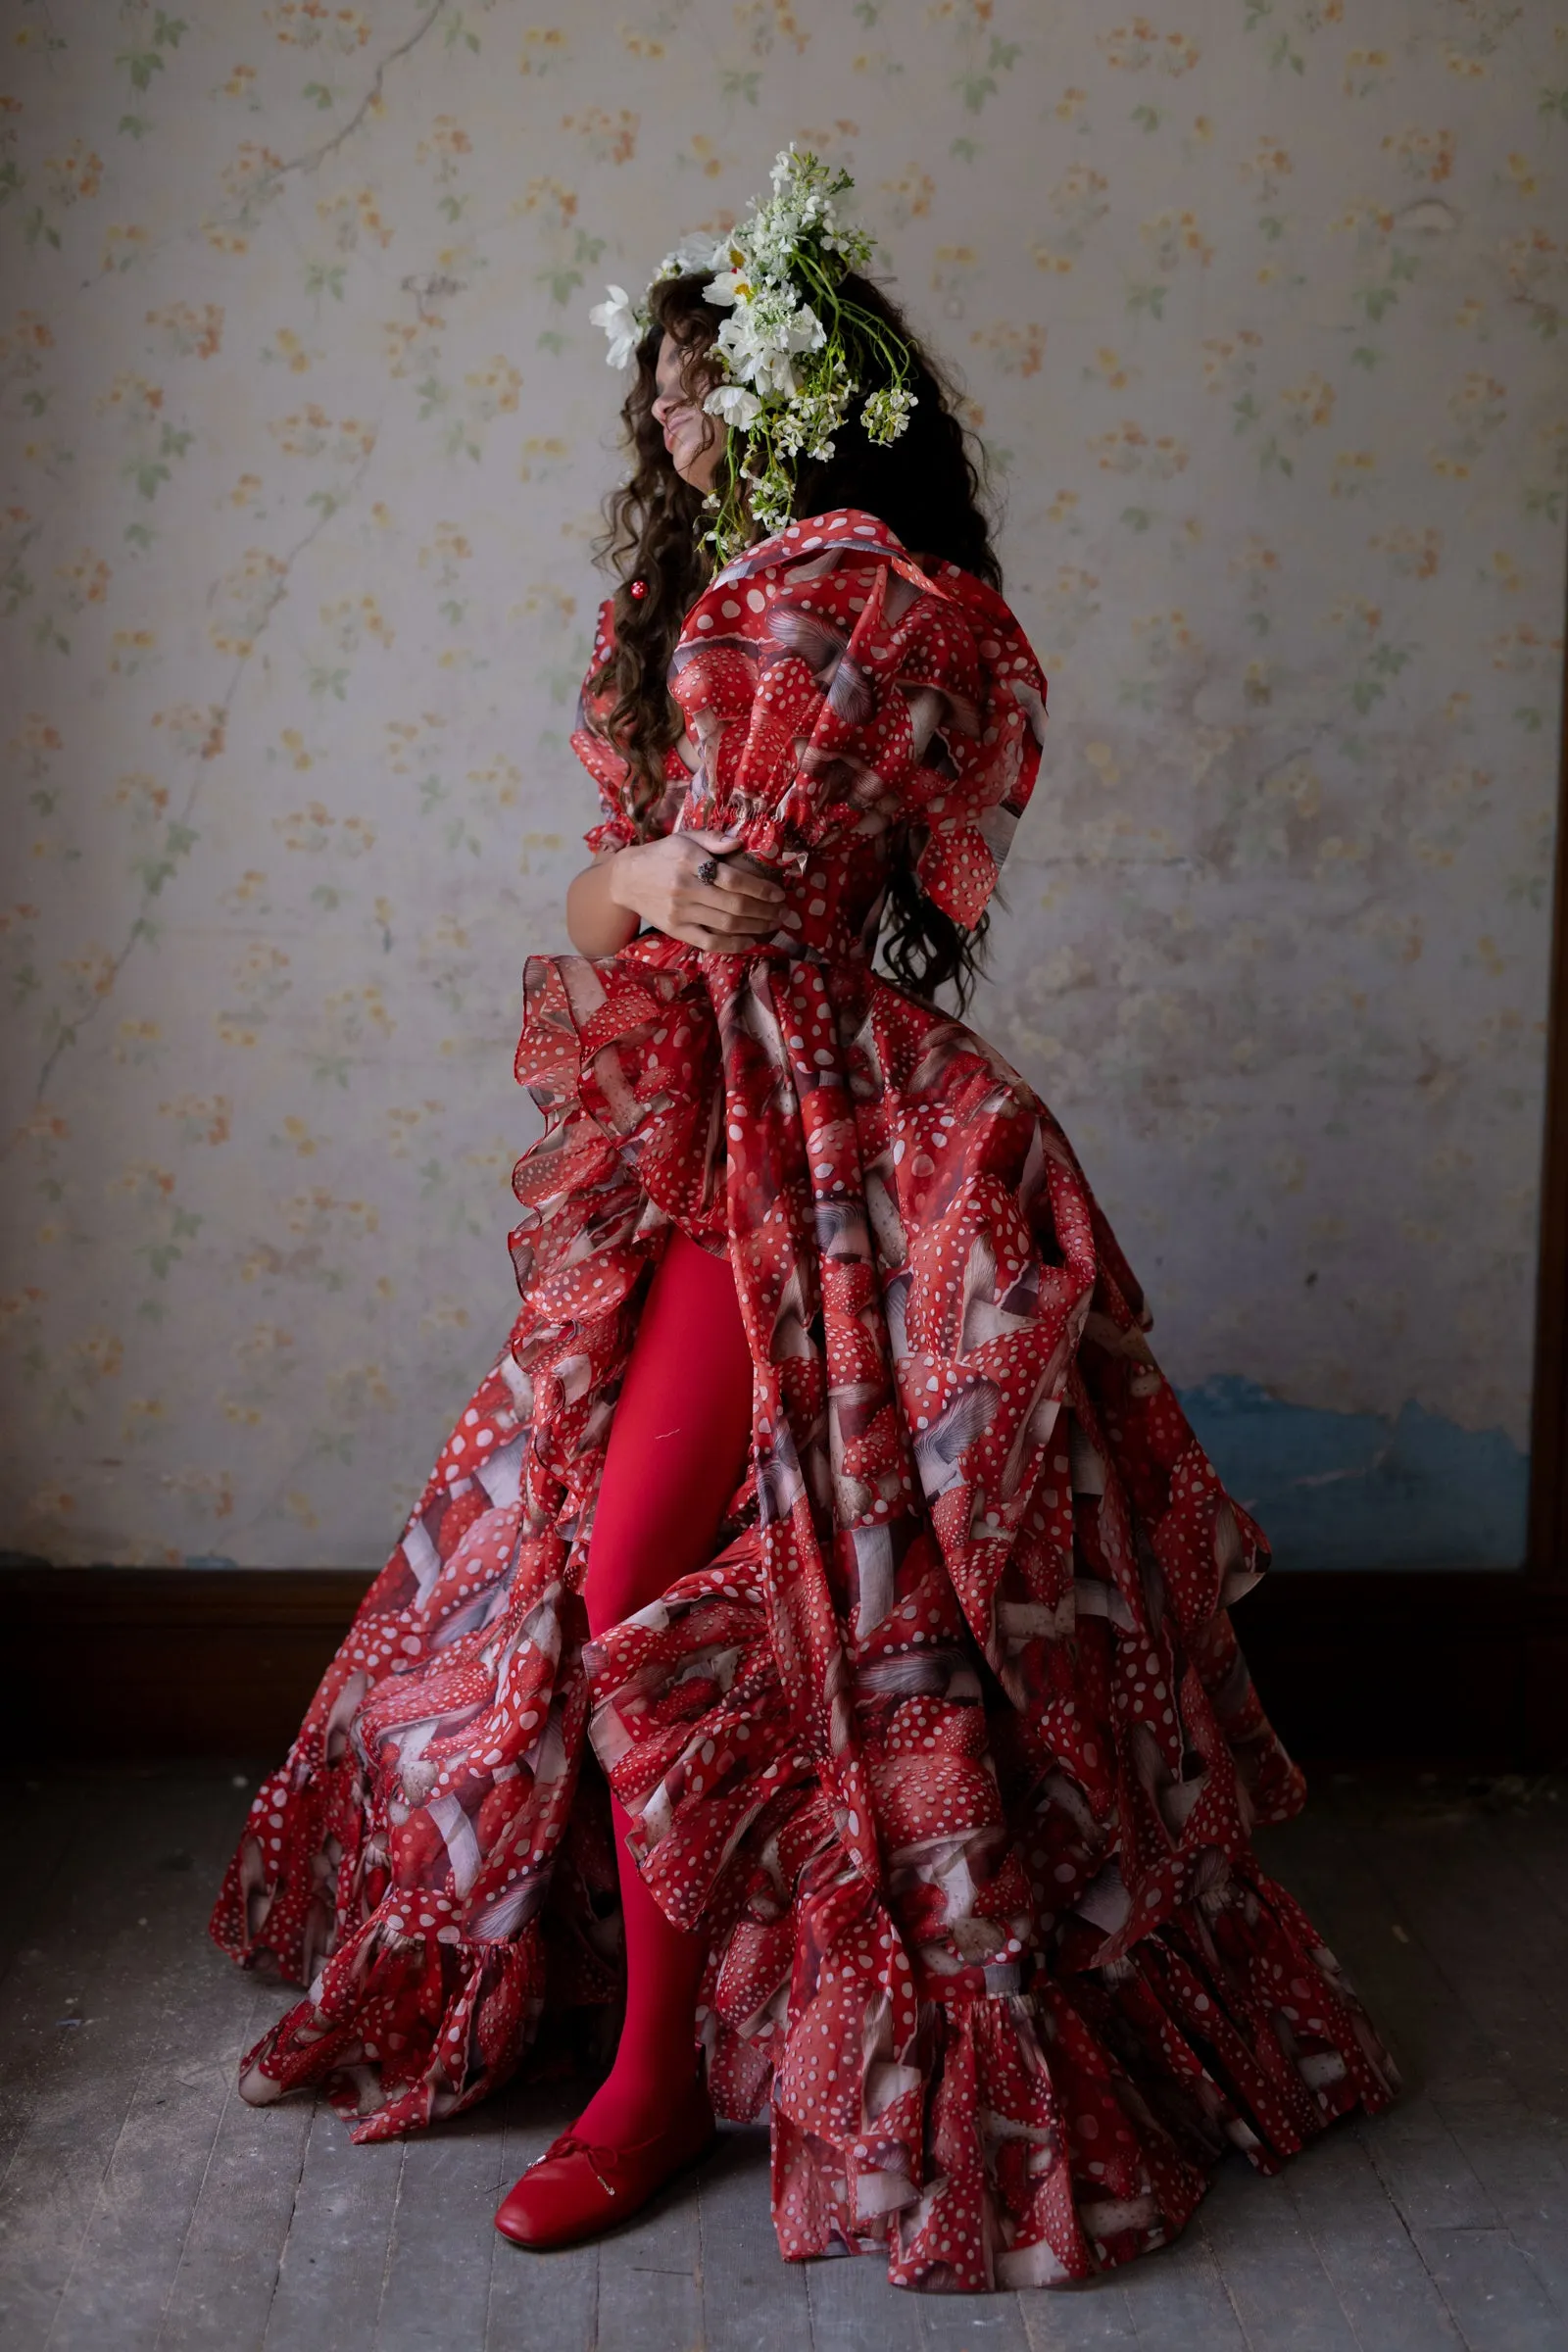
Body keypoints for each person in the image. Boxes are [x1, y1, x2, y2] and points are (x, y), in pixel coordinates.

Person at [210, 148, 1397, 2294]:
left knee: (833, 1575)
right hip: (690, 1136)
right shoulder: (673, 622)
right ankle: (655, 2044)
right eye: (652, 393)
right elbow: (592, 896)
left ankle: (702, 2058)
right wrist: (654, 885)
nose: (675, 422)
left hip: (847, 1135)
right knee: (604, 1553)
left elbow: (912, 844)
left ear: (810, 378)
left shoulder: (882, 612)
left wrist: (755, 845)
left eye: (710, 377)